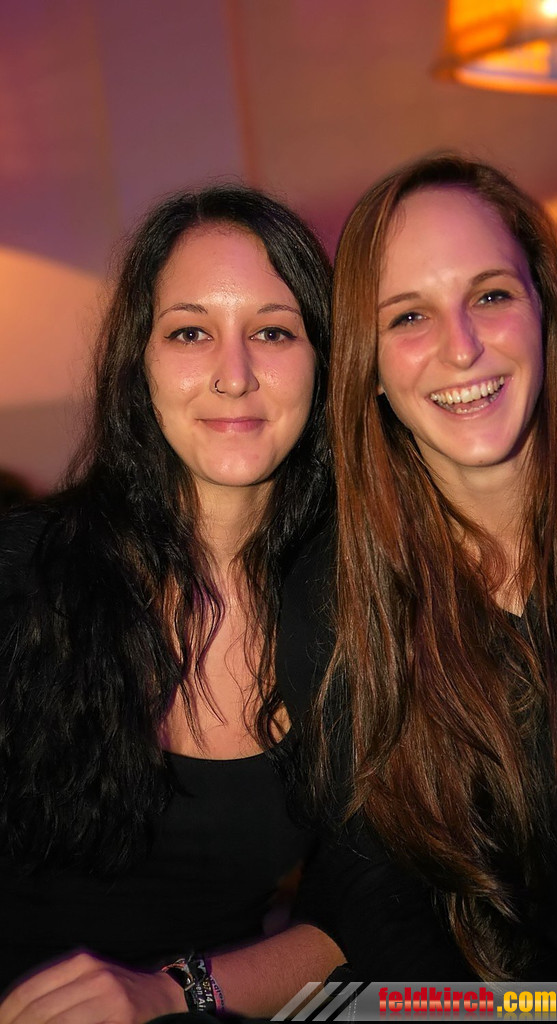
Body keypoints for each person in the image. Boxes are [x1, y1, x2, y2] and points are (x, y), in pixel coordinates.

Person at [292, 154, 557, 980]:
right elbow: (381, 910)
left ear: (546, 312)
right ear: (366, 366)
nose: (461, 347)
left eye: (491, 296)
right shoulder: (335, 600)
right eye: (408, 316)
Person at [0, 184, 343, 1020]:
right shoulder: (22, 573)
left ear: (324, 361)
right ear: (139, 363)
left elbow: (370, 907)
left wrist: (174, 993)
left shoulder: (359, 609)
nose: (234, 374)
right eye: (190, 332)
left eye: (273, 331)